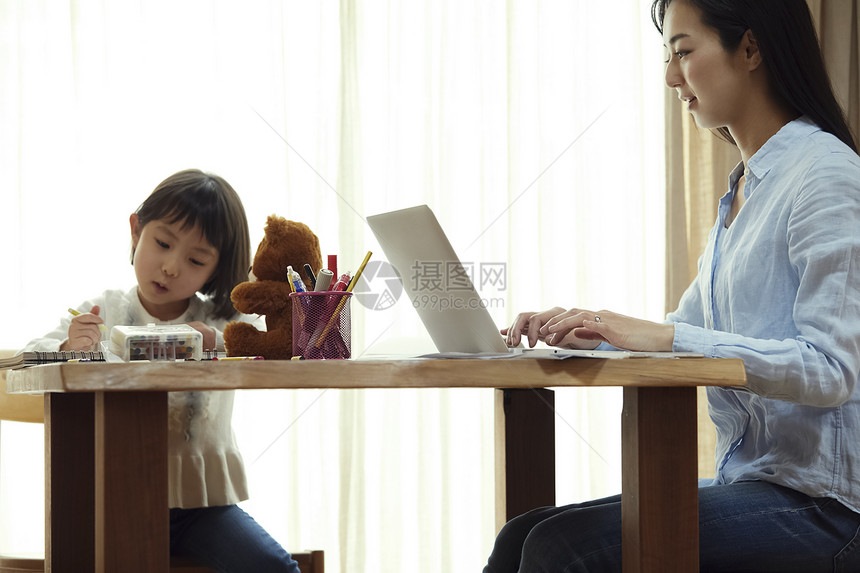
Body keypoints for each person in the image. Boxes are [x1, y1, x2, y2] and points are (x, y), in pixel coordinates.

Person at [485, 0, 860, 571]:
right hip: (760, 484)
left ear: (751, 48)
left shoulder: (824, 175)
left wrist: (659, 337)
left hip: (827, 509)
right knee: (525, 533)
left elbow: (833, 370)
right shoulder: (746, 192)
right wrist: (586, 329)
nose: (670, 76)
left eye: (683, 52)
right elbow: (678, 333)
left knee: (558, 548)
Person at [22, 169, 301, 572]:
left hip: (202, 506)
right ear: (136, 231)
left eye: (195, 259)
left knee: (275, 568)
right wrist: (69, 348)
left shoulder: (220, 322)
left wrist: (219, 343)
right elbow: (32, 358)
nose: (170, 267)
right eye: (163, 243)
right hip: (110, 500)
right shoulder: (103, 312)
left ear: (217, 270)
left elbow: (278, 346)